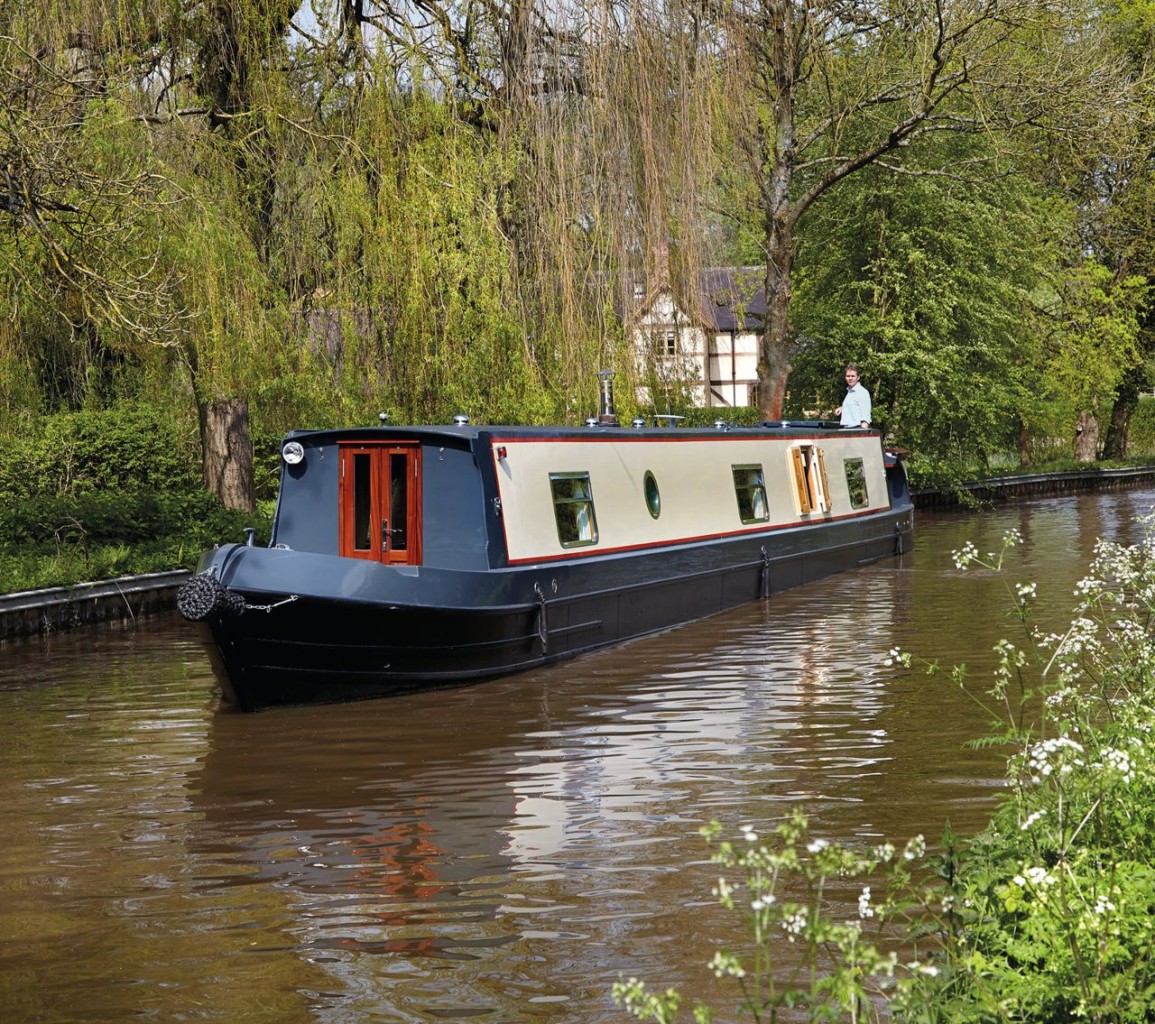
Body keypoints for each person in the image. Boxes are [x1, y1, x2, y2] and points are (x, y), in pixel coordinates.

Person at [836, 364, 871, 429]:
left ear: (858, 377)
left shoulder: (862, 392)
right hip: (846, 429)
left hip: (856, 430)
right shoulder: (850, 392)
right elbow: (855, 406)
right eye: (848, 376)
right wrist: (842, 408)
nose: (850, 378)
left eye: (853, 376)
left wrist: (862, 434)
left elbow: (865, 417)